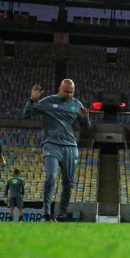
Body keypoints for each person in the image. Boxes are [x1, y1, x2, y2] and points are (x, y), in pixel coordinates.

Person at [22, 80, 91, 221]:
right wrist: (32, 100)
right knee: (50, 177)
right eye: (66, 91)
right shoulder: (48, 101)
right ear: (59, 88)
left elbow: (86, 129)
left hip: (70, 147)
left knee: (68, 182)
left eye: (71, 92)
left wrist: (85, 120)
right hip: (51, 145)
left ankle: (61, 214)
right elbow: (26, 115)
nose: (69, 94)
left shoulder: (77, 104)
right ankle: (46, 213)